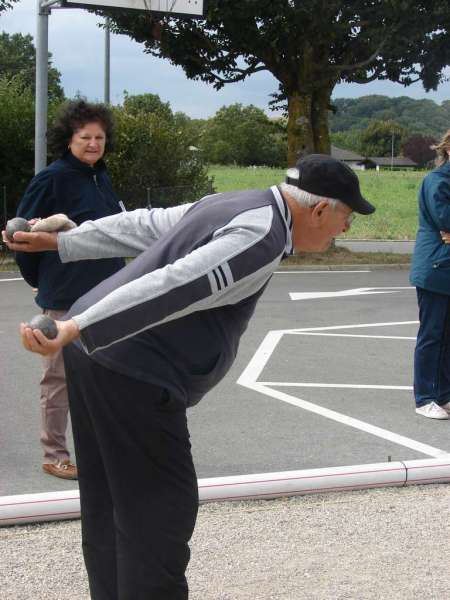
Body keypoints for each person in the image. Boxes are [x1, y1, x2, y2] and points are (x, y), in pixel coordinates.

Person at [3, 154, 375, 599]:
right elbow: (175, 283)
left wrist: (65, 243)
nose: (345, 230)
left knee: (110, 503)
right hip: (130, 370)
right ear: (318, 210)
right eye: (346, 217)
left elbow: (148, 224)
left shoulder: (239, 202)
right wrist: (76, 326)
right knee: (161, 515)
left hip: (98, 357)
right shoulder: (261, 236)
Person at [14, 100, 125, 478]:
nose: (94, 144)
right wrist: (41, 284)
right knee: (59, 378)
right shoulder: (53, 178)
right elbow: (22, 239)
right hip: (65, 295)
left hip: (108, 291)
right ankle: (54, 454)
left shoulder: (101, 176)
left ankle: (102, 450)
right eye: (85, 137)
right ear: (69, 139)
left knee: (108, 373)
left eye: (99, 137)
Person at [410, 130, 450, 420]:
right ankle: (425, 397)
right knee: (433, 334)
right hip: (436, 268)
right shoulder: (437, 181)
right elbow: (445, 220)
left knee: (447, 337)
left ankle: (445, 395)